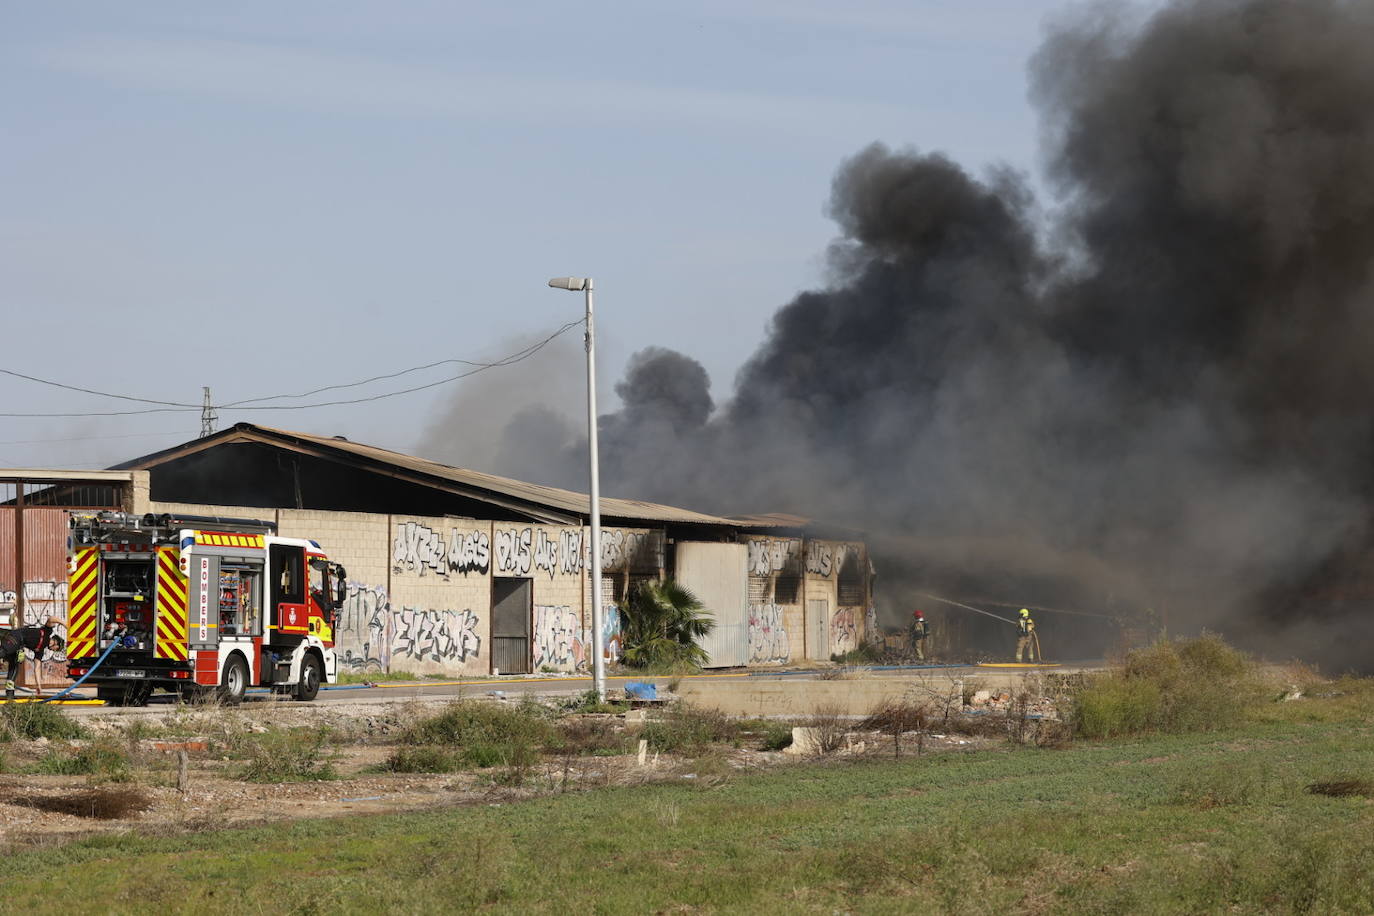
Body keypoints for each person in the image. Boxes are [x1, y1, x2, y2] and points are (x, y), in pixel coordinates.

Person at [1, 616, 65, 701]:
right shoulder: (47, 632)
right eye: (57, 649)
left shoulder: (40, 651)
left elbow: (37, 668)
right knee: (5, 651)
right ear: (56, 643)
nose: (54, 650)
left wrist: (38, 686)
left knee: (15, 666)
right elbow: (51, 619)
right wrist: (65, 624)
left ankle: (10, 694)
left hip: (18, 645)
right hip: (15, 637)